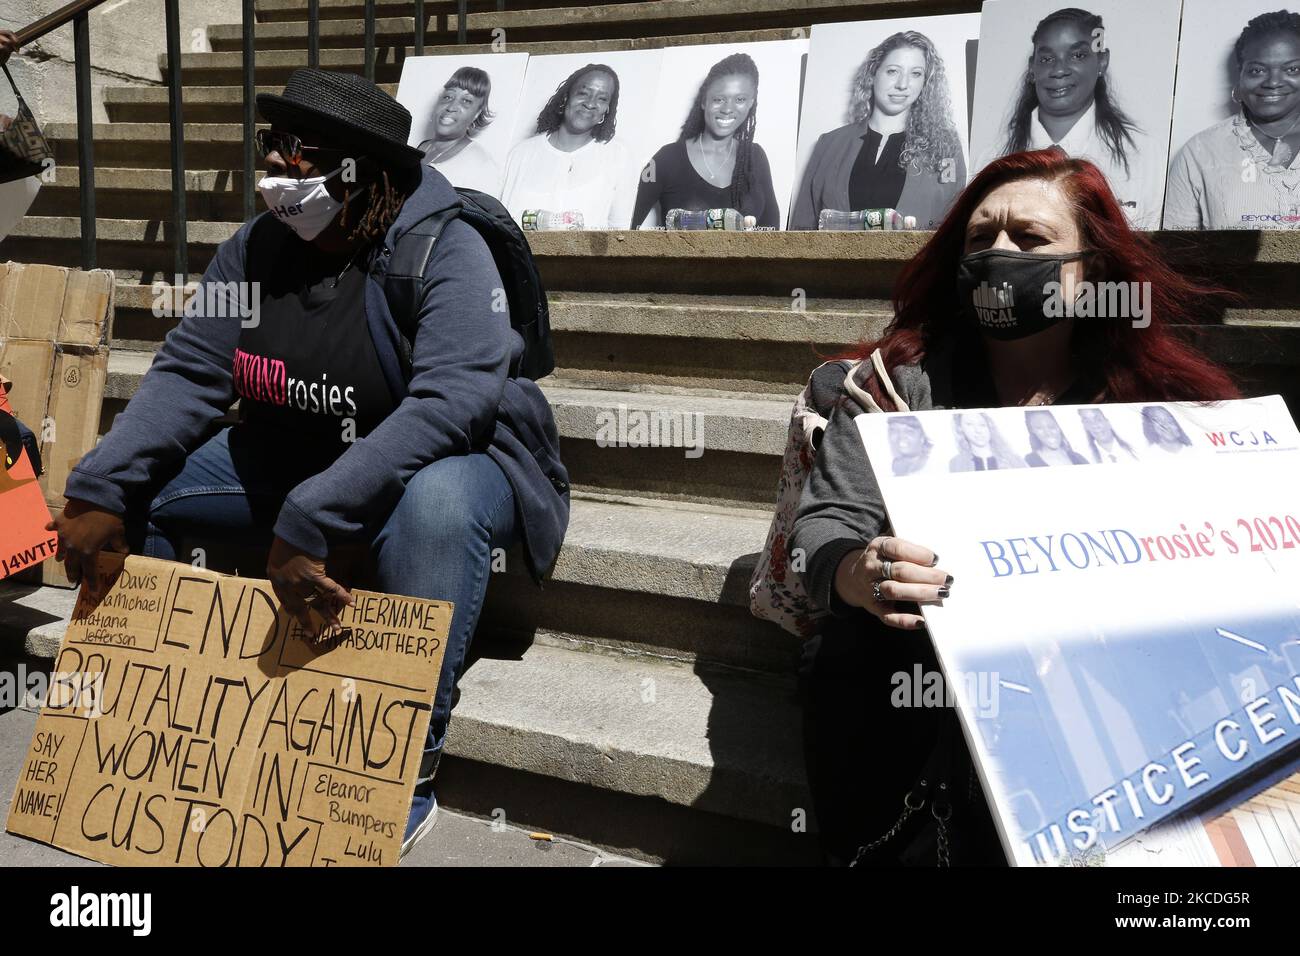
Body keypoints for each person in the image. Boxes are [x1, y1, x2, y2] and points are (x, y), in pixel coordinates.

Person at [44, 69, 571, 858]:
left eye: (308, 155)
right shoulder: (256, 249)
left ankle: (401, 776)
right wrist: (98, 485)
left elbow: (450, 404)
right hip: (301, 448)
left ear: (370, 177)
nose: (284, 171)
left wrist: (313, 516)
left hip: (457, 458)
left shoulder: (447, 250)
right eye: (276, 149)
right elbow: (192, 371)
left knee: (434, 508)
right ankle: (141, 725)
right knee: (139, 494)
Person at [790, 148, 1238, 865]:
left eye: (1029, 240)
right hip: (915, 690)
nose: (999, 254)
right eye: (980, 239)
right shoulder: (896, 384)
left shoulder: (1157, 406)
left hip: (1101, 696)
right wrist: (858, 572)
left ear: (1091, 271)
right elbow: (822, 528)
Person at [988, 8, 1157, 228]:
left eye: (1077, 55)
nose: (1059, 70)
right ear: (1032, 68)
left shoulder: (1145, 156)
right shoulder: (992, 157)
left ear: (1102, 62)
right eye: (1047, 58)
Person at [791, 31, 966, 231]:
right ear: (873, 74)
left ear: (925, 82)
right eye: (893, 71)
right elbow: (801, 227)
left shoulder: (945, 146)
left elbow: (954, 225)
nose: (902, 84)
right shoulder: (829, 143)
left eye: (916, 73)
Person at [1165, 10, 1300, 230]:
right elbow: (1177, 254)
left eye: (1292, 69)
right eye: (1257, 70)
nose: (1273, 82)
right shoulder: (1200, 152)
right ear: (1240, 74)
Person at [631, 52, 781, 229]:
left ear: (751, 103)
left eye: (740, 99)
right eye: (719, 99)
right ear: (704, 101)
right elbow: (626, 225)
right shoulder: (666, 159)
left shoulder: (756, 157)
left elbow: (773, 233)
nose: (727, 109)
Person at [500, 63, 632, 228]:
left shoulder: (617, 156)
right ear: (565, 98)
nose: (590, 103)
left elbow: (620, 228)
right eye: (583, 93)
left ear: (606, 110)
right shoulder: (521, 154)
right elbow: (501, 225)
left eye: (602, 99)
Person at [415, 66, 502, 195]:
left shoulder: (481, 166)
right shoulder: (420, 148)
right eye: (448, 97)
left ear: (477, 113)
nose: (451, 107)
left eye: (466, 101)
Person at [948, 411, 1024, 471]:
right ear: (960, 428)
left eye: (982, 424)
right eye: (969, 424)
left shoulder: (1013, 459)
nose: (978, 430)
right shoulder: (956, 463)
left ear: (989, 427)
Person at [1023, 408, 1088, 465]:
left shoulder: (1078, 458)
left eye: (1051, 426)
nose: (1048, 433)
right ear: (1033, 431)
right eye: (1039, 428)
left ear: (1058, 427)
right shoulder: (1029, 461)